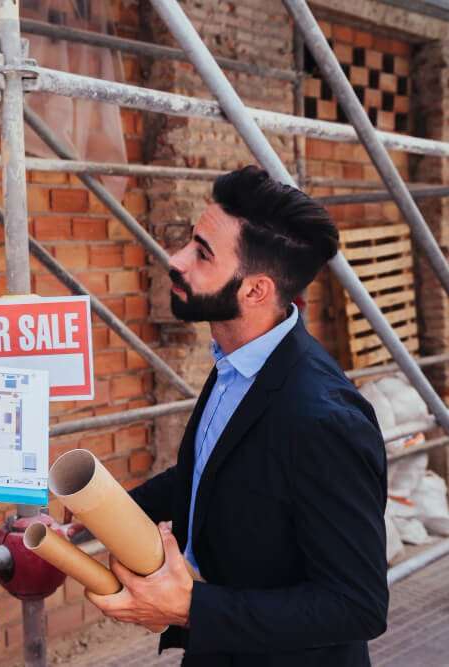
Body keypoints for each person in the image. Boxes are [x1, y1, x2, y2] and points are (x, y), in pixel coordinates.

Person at [86, 166, 388, 666]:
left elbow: (357, 604)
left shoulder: (325, 418)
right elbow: (207, 475)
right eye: (190, 242)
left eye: (203, 254)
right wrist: (89, 517)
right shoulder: (235, 360)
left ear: (255, 291)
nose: (175, 259)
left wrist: (190, 606)